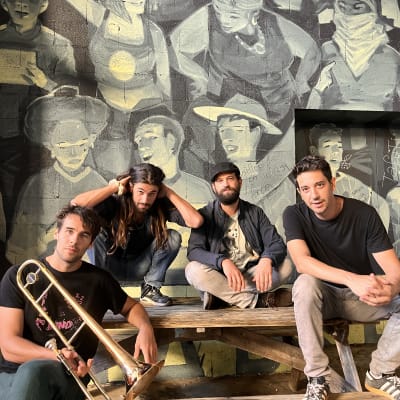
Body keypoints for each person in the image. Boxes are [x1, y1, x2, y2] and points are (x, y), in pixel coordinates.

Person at [0, 204, 158, 400]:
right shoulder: (21, 276)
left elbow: (132, 306)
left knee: (33, 372)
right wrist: (59, 356)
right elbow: (8, 346)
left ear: (90, 243)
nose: (74, 240)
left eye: (84, 235)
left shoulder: (99, 280)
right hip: (13, 374)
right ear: (57, 233)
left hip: (69, 376)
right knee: (31, 371)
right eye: (69, 231)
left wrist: (145, 327)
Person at [283, 155, 400, 400]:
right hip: (321, 301)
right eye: (306, 189)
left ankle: (380, 373)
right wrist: (351, 278)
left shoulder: (364, 214)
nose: (314, 195)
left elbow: (394, 270)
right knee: (304, 283)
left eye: (319, 185)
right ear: (300, 192)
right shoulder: (294, 214)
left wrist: (392, 287)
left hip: (361, 299)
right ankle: (317, 377)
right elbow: (302, 262)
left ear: (332, 183)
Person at [71, 163, 204, 306]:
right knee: (95, 232)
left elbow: (196, 221)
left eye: (152, 193)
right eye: (140, 192)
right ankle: (101, 289)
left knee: (173, 236)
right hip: (109, 266)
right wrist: (113, 187)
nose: (145, 200)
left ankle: (150, 289)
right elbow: (76, 205)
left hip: (140, 267)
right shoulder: (114, 201)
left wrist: (169, 193)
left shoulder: (160, 205)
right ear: (131, 187)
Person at [6, 86, 110, 264]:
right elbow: (17, 251)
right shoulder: (36, 185)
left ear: (91, 141)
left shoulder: (100, 184)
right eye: (63, 147)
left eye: (81, 145)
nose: (73, 154)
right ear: (50, 147)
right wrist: (44, 240)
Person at [0, 0, 76, 240]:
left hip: (33, 143)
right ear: (4, 3)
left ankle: (19, 253)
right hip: (4, 132)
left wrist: (45, 82)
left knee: (22, 203)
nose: (21, 4)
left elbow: (72, 97)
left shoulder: (58, 45)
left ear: (43, 5)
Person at [186, 162, 294, 310]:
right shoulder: (204, 215)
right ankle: (259, 300)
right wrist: (222, 262)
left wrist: (266, 259)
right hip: (220, 276)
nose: (226, 184)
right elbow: (194, 251)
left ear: (240, 182)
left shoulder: (255, 212)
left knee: (286, 266)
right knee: (192, 270)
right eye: (220, 181)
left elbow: (276, 243)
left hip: (251, 275)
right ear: (213, 187)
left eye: (230, 178)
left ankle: (221, 298)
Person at [306, 0, 400, 111]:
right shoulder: (325, 51)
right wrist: (318, 89)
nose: (348, 14)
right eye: (342, 7)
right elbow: (307, 108)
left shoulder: (392, 58)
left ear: (372, 11)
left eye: (357, 8)